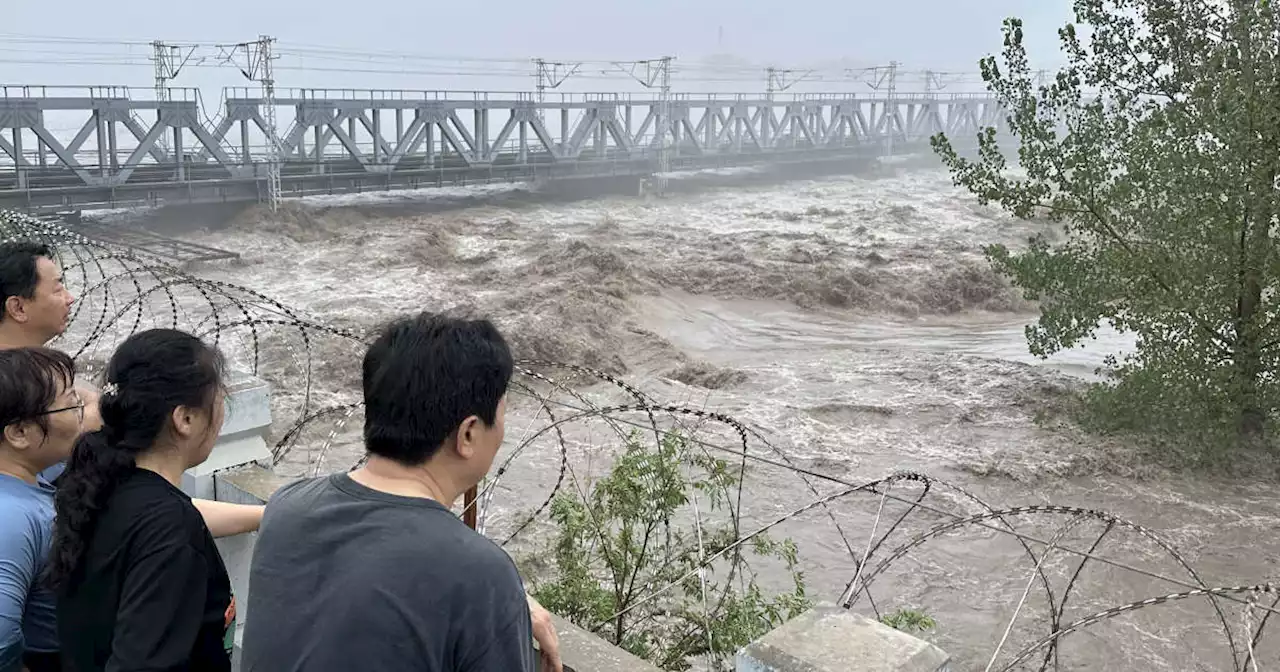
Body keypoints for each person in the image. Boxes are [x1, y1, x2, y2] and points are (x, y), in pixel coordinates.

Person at [241, 311, 562, 672]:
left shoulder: (288, 509)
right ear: (469, 433)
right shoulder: (479, 577)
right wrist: (500, 599)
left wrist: (503, 598)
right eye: (502, 414)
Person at [46, 329, 247, 672]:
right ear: (184, 419)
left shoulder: (96, 488)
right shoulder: (169, 528)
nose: (221, 414)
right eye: (220, 401)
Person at [0, 348, 82, 672]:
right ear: (19, 433)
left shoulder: (30, 479)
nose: (81, 413)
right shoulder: (13, 517)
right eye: (71, 404)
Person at [0, 240, 98, 484]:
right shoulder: (12, 386)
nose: (70, 298)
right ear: (18, 307)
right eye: (57, 289)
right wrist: (91, 413)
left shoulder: (34, 375)